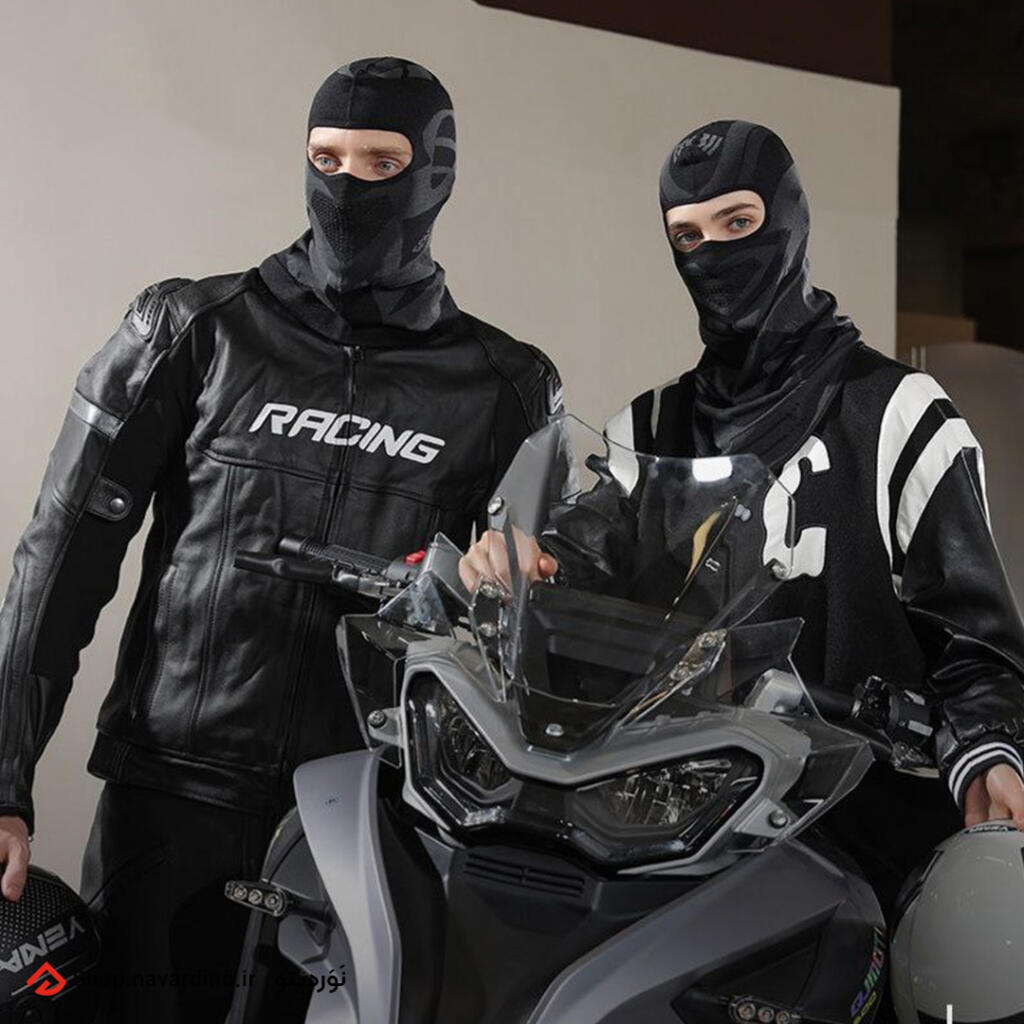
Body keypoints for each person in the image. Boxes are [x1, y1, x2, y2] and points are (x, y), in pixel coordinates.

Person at [0, 56, 561, 1022]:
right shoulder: (194, 330)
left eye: (381, 162)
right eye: (325, 158)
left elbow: (519, 633)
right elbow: (59, 558)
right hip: (171, 799)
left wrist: (509, 592)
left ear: (436, 176)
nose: (346, 187)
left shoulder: (505, 388)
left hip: (364, 820)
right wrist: (4, 777)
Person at [460, 119, 1024, 933]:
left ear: (790, 217)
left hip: (862, 847)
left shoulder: (899, 413)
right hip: (678, 842)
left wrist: (989, 751)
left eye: (738, 222)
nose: (713, 255)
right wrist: (523, 560)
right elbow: (579, 566)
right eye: (687, 236)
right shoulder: (647, 427)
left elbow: (978, 647)